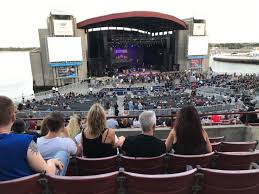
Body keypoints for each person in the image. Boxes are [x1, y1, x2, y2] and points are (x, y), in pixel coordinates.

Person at [0, 96, 63, 181]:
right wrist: (51, 161)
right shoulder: (26, 141)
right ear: (13, 117)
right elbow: (49, 173)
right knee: (62, 155)